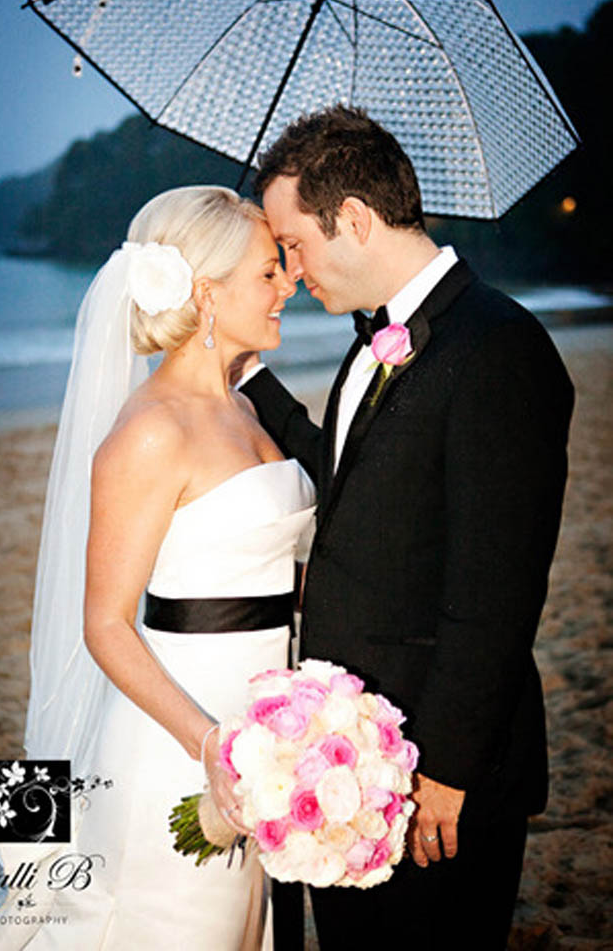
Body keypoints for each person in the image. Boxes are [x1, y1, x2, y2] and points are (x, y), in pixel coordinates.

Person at [238, 106, 574, 950]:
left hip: (436, 773)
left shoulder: (499, 346)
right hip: (351, 755)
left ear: (353, 219)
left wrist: (448, 771)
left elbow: (497, 589)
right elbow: (357, 484)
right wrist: (250, 381)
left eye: (295, 244)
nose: (292, 271)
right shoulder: (375, 341)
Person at [0, 186, 315, 950]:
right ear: (206, 295)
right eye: (267, 272)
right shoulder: (150, 431)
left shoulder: (245, 408)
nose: (288, 285)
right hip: (177, 743)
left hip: (260, 728)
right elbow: (105, 625)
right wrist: (208, 745)